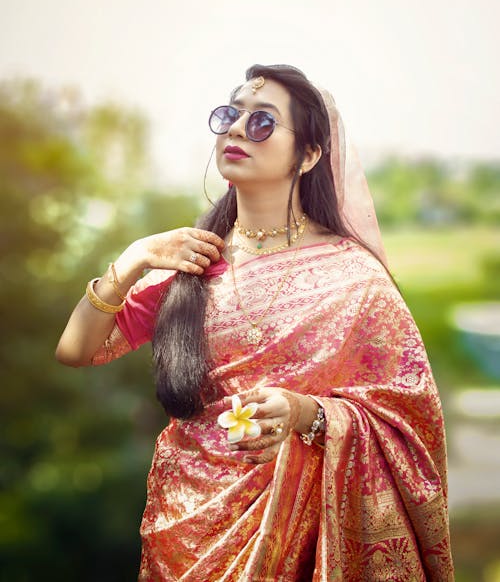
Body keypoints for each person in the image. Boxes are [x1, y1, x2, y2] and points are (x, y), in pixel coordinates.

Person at [55, 64, 454, 581]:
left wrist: (306, 414)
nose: (237, 129)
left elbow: (407, 425)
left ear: (309, 154)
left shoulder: (355, 279)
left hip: (300, 534)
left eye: (263, 122)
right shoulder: (195, 262)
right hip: (188, 531)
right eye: (230, 115)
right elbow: (76, 350)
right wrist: (133, 259)